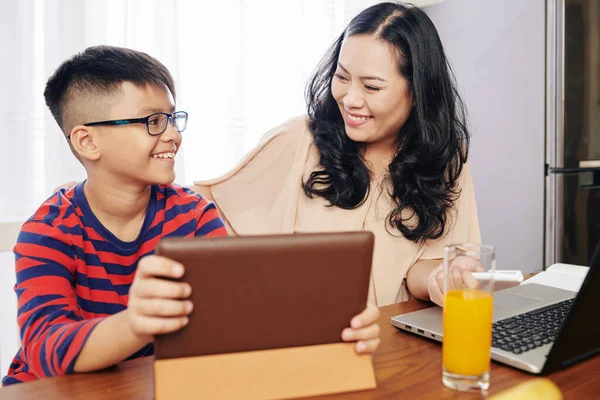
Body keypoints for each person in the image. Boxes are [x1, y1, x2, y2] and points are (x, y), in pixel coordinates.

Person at [2, 46, 380, 386]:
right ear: (88, 141)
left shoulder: (194, 215)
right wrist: (135, 324)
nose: (172, 135)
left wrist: (333, 328)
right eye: (152, 121)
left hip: (148, 384)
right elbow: (45, 349)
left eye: (172, 117)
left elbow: (239, 312)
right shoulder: (47, 231)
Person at [192, 2, 482, 308]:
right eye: (342, 77)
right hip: (304, 342)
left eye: (371, 86)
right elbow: (206, 205)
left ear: (417, 91)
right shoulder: (299, 140)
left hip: (388, 339)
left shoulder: (445, 160)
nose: (350, 99)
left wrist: (442, 278)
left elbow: (421, 267)